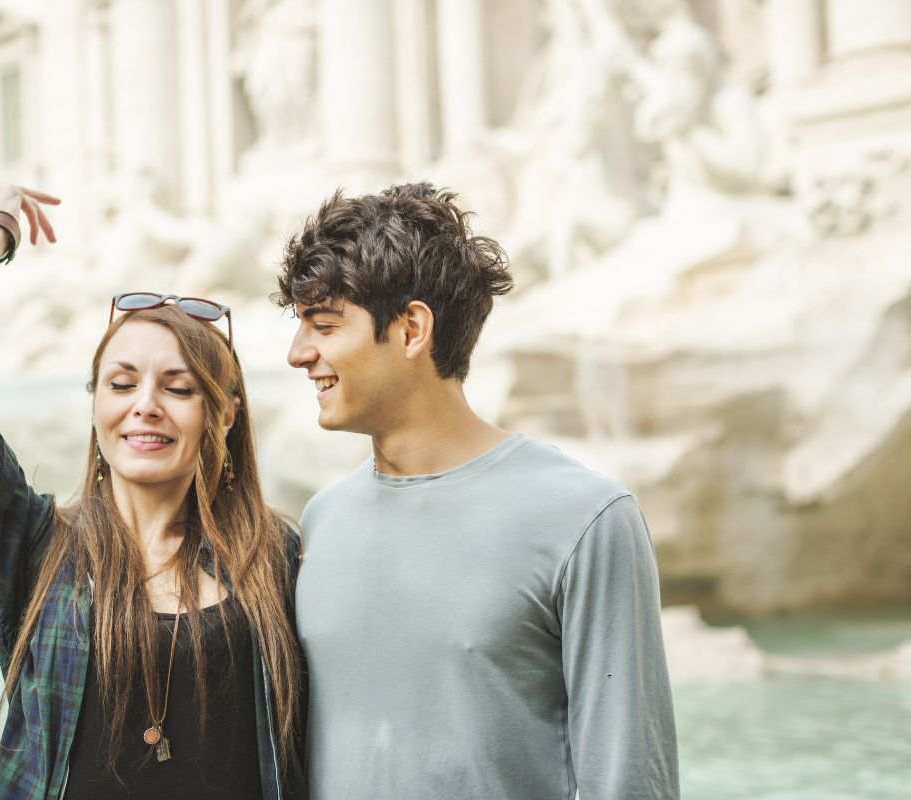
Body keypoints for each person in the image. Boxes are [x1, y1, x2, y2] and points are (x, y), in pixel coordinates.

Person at [0, 168, 306, 800]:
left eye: (180, 387)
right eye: (122, 383)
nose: (146, 405)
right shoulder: (30, 544)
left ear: (223, 414)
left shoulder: (275, 555)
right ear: (95, 405)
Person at [276, 183, 679, 799]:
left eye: (324, 326)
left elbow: (627, 782)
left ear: (411, 329)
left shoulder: (585, 519)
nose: (298, 353)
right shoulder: (323, 519)